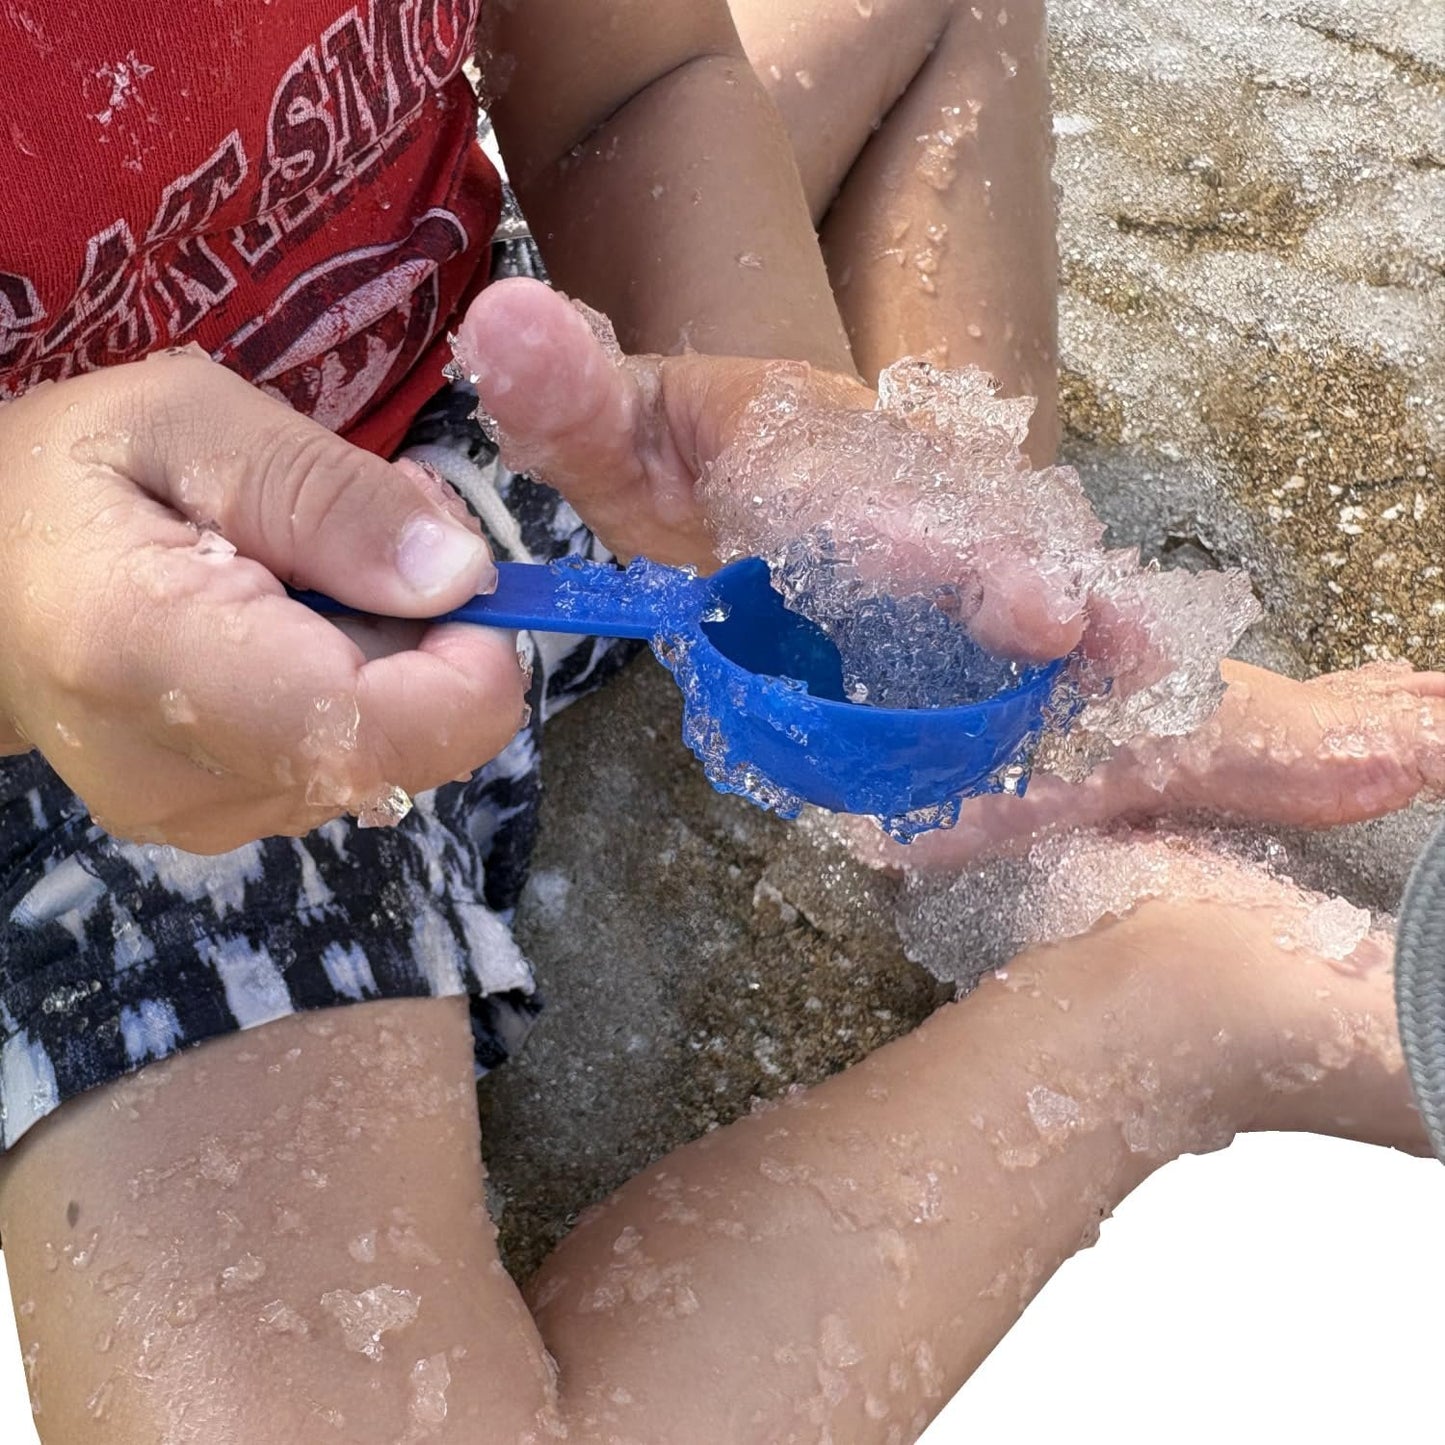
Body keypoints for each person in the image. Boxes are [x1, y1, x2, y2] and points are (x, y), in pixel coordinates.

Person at [0, 1, 1436, 1440]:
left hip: (492, 379)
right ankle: (1167, 991)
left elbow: (636, 76)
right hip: (94, 702)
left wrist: (796, 478)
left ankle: (972, 727)